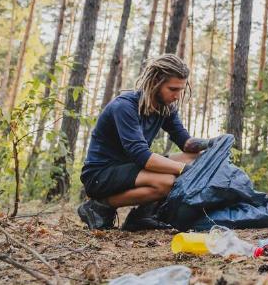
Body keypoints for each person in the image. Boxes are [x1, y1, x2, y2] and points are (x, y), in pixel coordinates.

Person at [77, 54, 218, 231]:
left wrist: (211, 143)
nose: (177, 96)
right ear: (156, 82)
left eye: (180, 90)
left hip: (131, 168)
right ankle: (99, 206)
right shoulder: (125, 106)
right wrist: (185, 170)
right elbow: (141, 155)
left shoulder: (165, 108)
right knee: (168, 181)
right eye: (173, 89)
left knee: (196, 157)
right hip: (100, 175)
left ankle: (142, 217)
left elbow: (186, 144)